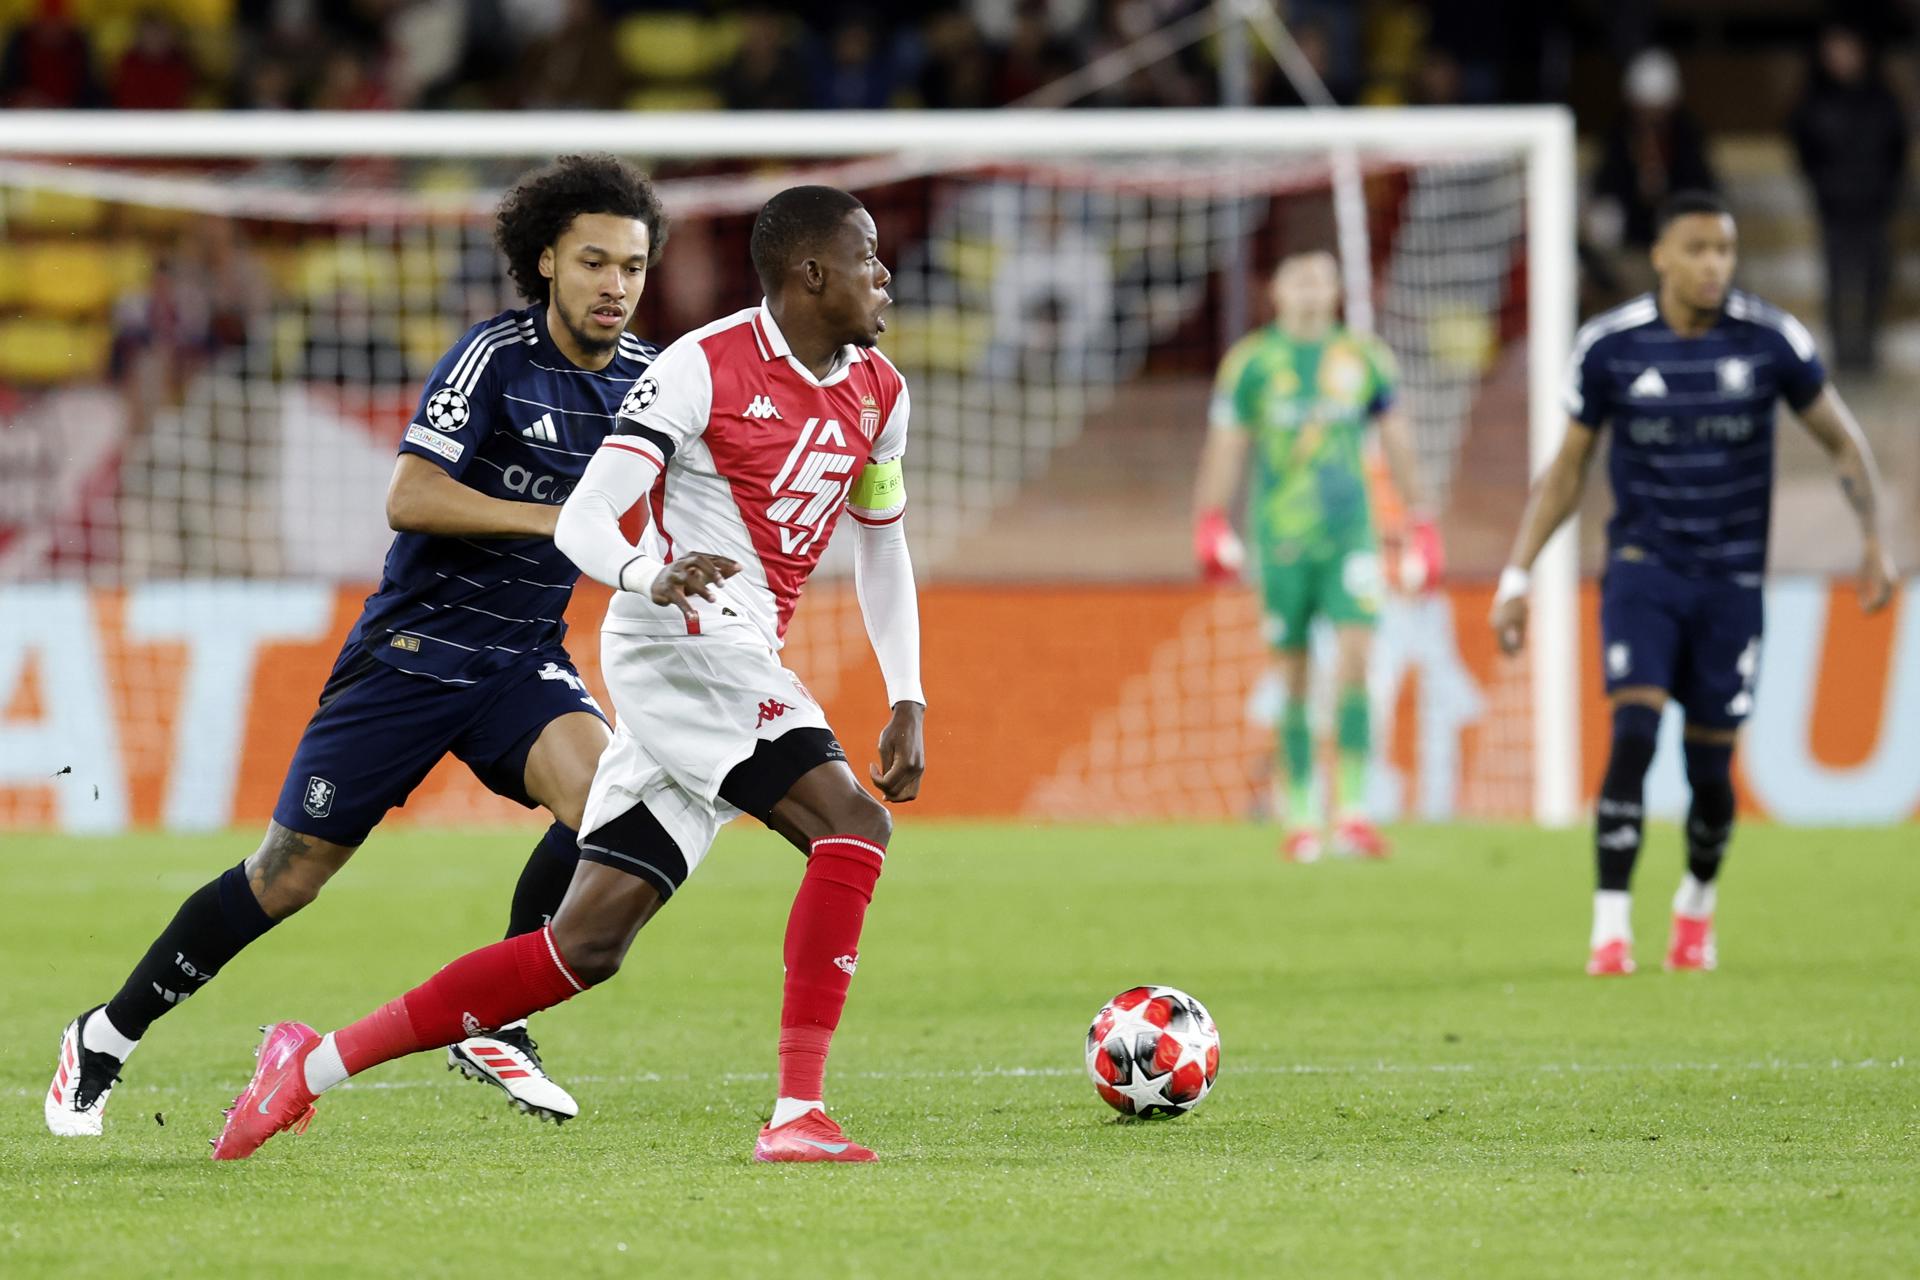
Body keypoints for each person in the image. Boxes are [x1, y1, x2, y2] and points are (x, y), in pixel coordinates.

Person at [210, 185, 926, 1165]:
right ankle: (798, 1110)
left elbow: (883, 544)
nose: (885, 276)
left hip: (742, 649)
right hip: (678, 634)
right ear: (810, 274)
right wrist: (648, 569)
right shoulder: (698, 367)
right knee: (854, 823)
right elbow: (590, 514)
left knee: (583, 946)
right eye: (868, 258)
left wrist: (907, 692)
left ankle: (308, 1064)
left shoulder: (883, 393)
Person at [45, 155, 667, 1136]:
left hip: (518, 661)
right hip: (412, 655)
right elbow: (409, 494)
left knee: (611, 813)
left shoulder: (648, 381)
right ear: (547, 260)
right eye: (595, 262)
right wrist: (550, 518)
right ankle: (106, 1035)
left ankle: (492, 1019)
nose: (615, 286)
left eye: (632, 267)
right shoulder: (493, 357)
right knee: (285, 876)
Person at [1490, 190, 1895, 976]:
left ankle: (1695, 907)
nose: (1715, 265)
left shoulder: (1771, 340)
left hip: (1732, 585)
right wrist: (1517, 573)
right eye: (1700, 249)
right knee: (1634, 736)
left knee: (1710, 772)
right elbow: (1567, 470)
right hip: (1643, 574)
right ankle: (1611, 928)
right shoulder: (1610, 347)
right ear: (1663, 257)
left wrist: (1874, 540)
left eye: (1726, 251)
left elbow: (1844, 443)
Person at [1192, 251, 1441, 862]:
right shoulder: (1252, 363)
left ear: (1336, 290)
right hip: (1280, 541)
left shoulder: (1362, 358)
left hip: (1350, 535)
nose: (1310, 289)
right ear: (1274, 288)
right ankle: (1301, 817)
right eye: (1298, 277)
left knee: (1357, 661)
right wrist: (1209, 519)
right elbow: (1226, 445)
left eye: (1322, 278)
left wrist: (1422, 522)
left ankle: (1353, 812)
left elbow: (1399, 439)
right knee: (1294, 675)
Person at [1790, 24, 1908, 373]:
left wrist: (1887, 191)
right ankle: (1842, 353)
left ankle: (1866, 350)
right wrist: (1821, 185)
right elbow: (1802, 146)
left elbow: (1897, 148)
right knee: (1838, 278)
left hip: (1874, 206)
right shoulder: (1814, 99)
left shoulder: (1882, 98)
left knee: (1875, 276)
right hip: (1835, 206)